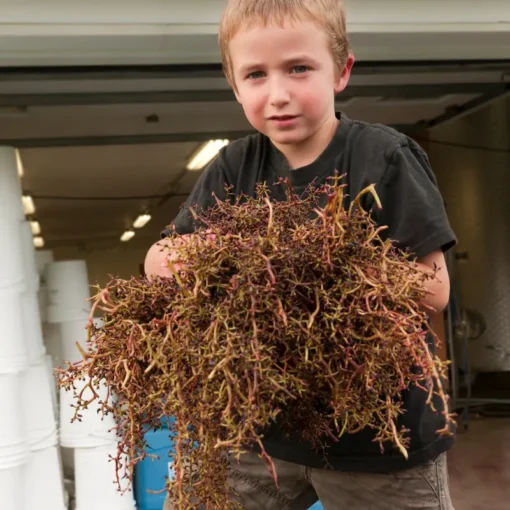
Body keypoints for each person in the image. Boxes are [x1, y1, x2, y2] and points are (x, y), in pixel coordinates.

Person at [145, 0, 457, 508]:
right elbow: (159, 260)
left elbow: (434, 288)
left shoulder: (383, 156)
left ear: (341, 70)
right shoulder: (233, 167)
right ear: (235, 85)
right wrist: (206, 254)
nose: (279, 94)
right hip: (260, 429)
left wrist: (312, 261)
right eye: (256, 75)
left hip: (379, 438)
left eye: (299, 68)